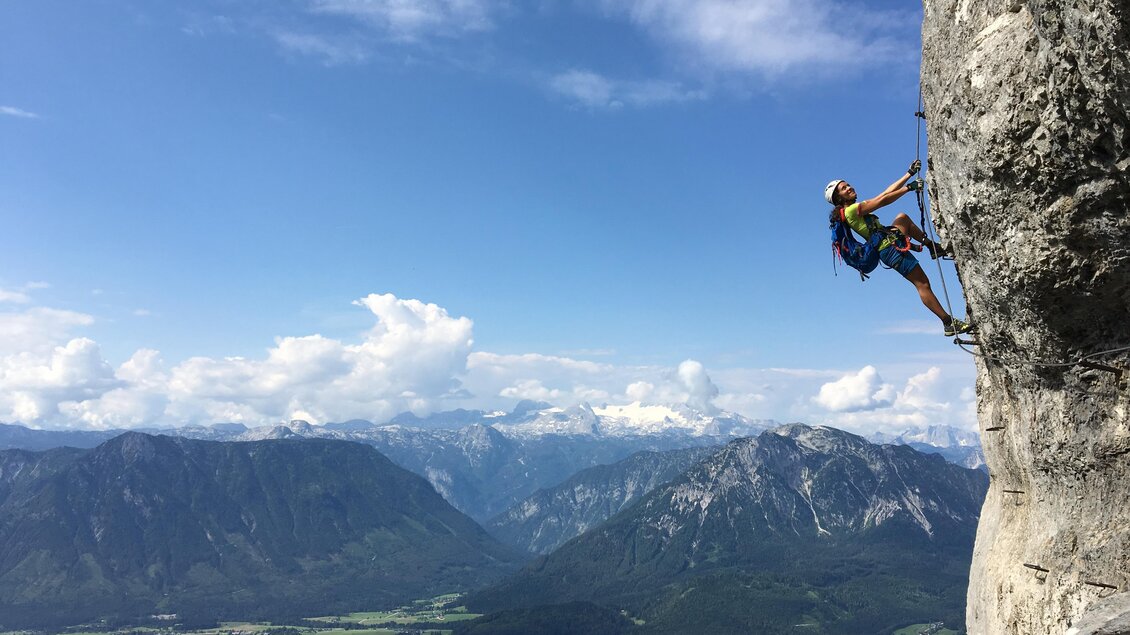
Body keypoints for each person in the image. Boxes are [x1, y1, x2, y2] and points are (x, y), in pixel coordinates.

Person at [825, 160, 973, 336]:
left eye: (847, 185)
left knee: (903, 218)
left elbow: (885, 193)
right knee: (923, 284)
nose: (849, 187)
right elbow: (883, 201)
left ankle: (932, 247)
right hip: (889, 250)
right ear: (839, 198)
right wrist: (908, 189)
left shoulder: (854, 209)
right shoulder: (851, 211)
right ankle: (948, 323)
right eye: (844, 188)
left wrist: (908, 174)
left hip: (889, 242)